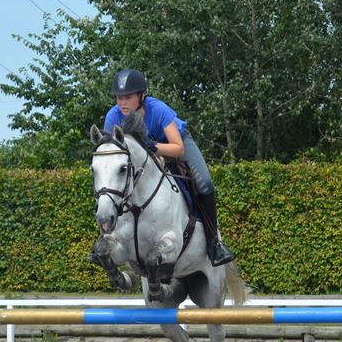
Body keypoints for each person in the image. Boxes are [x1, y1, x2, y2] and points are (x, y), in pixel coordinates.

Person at [89, 68, 235, 267]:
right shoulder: (113, 116)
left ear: (141, 96)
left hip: (174, 145)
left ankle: (214, 243)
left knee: (205, 184)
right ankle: (108, 240)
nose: (122, 103)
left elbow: (178, 147)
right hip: (144, 157)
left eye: (128, 97)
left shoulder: (158, 109)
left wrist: (153, 147)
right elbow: (113, 156)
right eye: (119, 98)